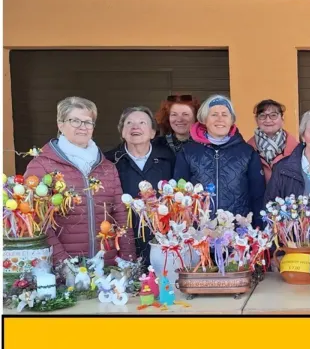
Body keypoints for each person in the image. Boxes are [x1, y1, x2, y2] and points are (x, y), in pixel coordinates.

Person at [23, 96, 136, 264]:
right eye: (75, 121)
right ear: (60, 124)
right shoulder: (42, 165)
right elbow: (37, 220)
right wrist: (63, 263)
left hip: (106, 264)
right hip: (63, 266)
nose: (83, 127)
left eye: (88, 122)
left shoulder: (107, 167)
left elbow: (120, 214)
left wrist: (128, 259)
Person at [173, 94, 265, 225]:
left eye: (225, 114)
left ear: (232, 120)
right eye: (214, 114)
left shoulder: (247, 152)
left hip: (237, 230)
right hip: (198, 230)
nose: (220, 119)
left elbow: (258, 195)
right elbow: (179, 194)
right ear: (204, 120)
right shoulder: (188, 152)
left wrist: (258, 227)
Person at [105, 106, 174, 264]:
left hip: (162, 241)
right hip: (123, 240)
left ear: (152, 132)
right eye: (129, 123)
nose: (135, 127)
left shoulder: (168, 159)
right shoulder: (110, 161)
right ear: (122, 132)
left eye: (142, 122)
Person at [246, 99, 299, 183]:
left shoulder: (297, 149)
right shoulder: (247, 149)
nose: (268, 120)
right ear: (256, 120)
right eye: (262, 116)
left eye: (273, 115)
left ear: (282, 118)